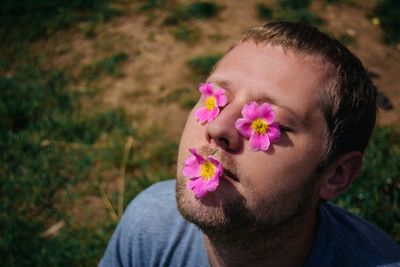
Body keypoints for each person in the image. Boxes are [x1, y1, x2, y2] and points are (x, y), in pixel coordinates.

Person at [99, 22, 400, 267]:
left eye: (273, 125)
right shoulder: (149, 225)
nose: (217, 128)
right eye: (214, 100)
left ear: (335, 175)